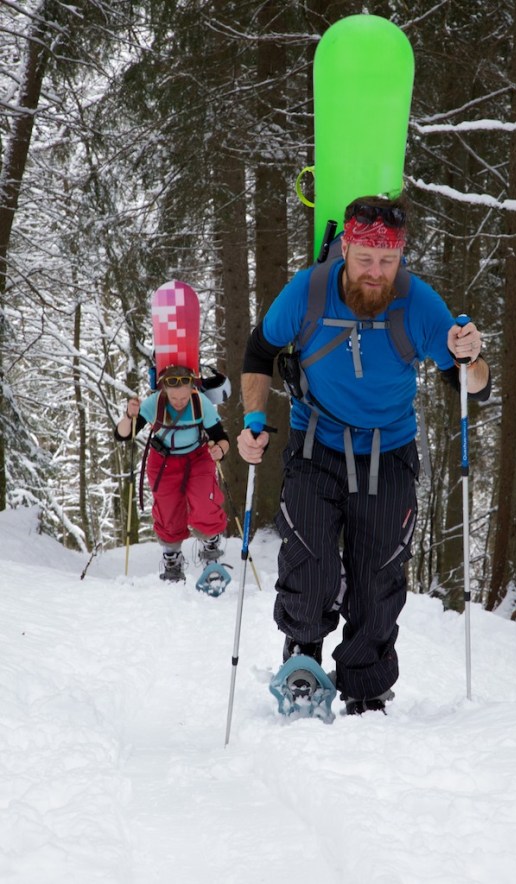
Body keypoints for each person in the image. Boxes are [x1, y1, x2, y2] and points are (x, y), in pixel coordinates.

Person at [237, 194, 491, 715]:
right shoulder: (308, 292)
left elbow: (473, 386)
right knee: (310, 562)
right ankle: (303, 654)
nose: (376, 272)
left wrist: (472, 355)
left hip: (388, 452)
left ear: (401, 257)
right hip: (315, 444)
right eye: (365, 258)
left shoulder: (417, 303)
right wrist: (253, 421)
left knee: (379, 577)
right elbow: (260, 350)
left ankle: (365, 683)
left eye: (388, 260)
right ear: (346, 250)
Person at [115, 364, 230, 581]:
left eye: (183, 398)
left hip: (198, 456)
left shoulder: (200, 402)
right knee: (167, 510)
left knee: (205, 500)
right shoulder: (154, 403)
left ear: (192, 390)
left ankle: (210, 549)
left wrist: (220, 450)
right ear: (165, 391)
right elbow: (123, 435)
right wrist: (130, 416)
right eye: (174, 398)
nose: (179, 402)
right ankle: (172, 558)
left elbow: (222, 438)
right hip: (164, 460)